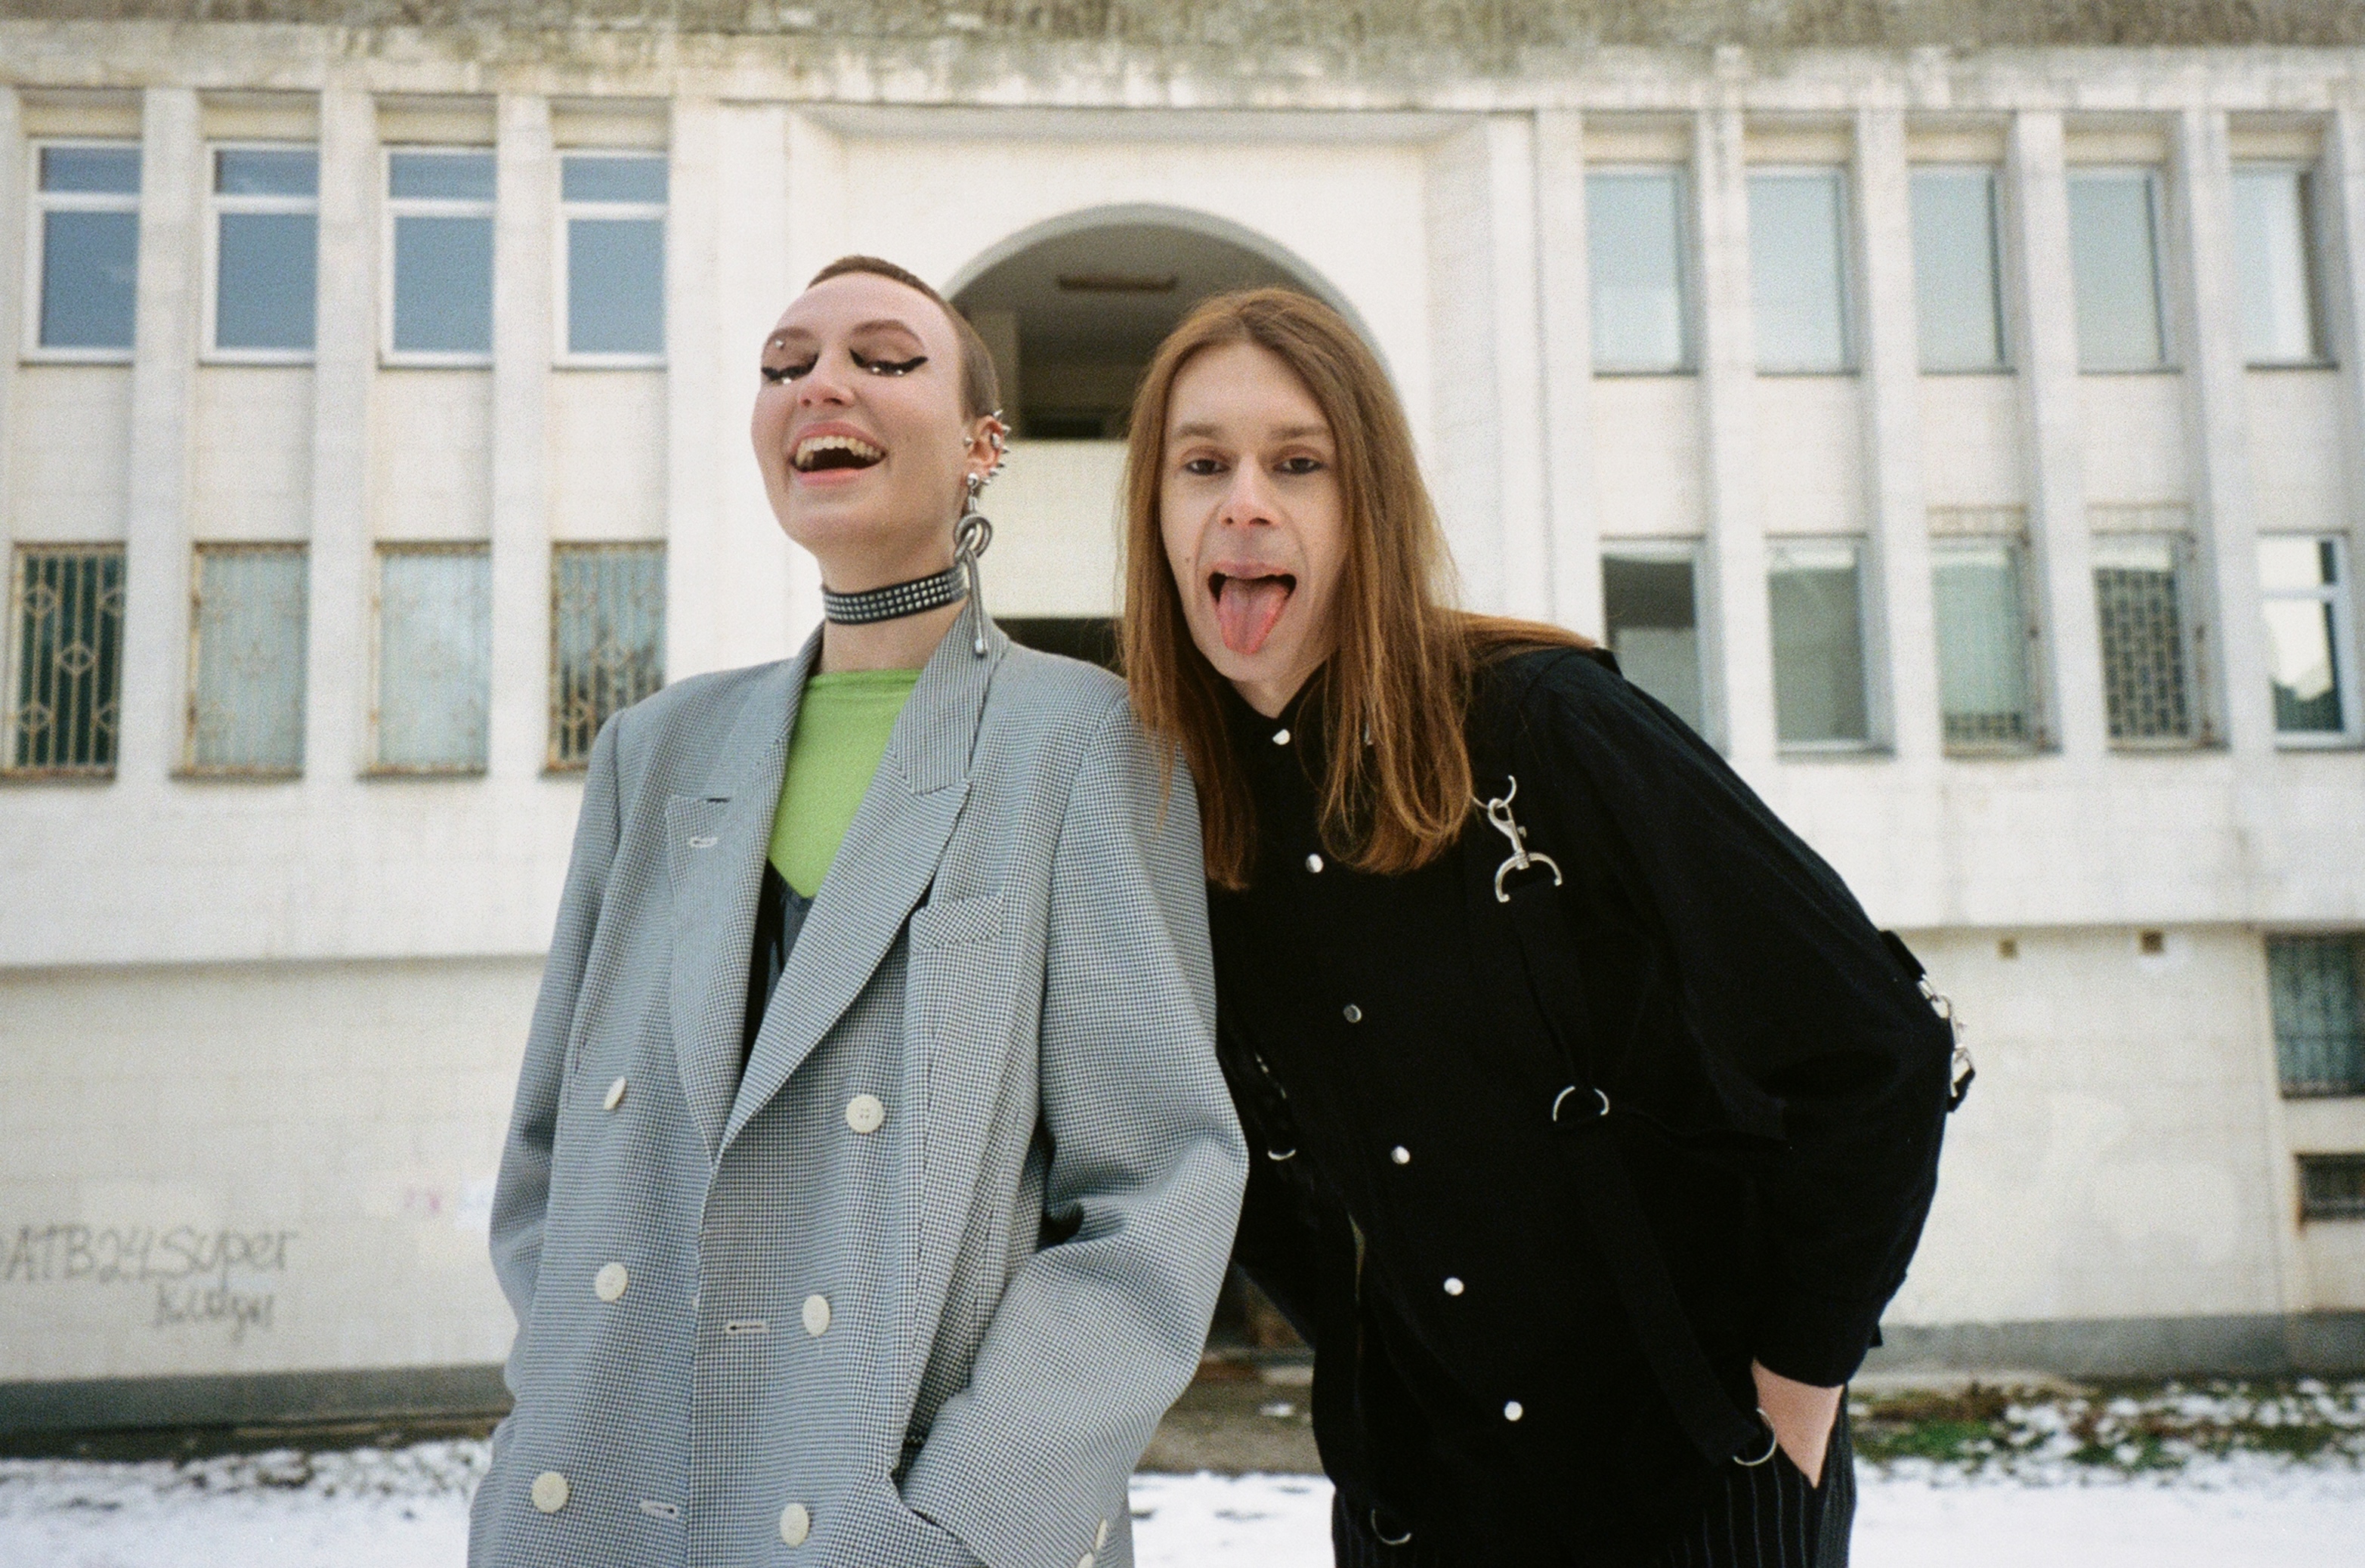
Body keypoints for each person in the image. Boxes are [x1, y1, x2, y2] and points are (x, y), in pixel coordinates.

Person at [1121, 288, 1957, 1567]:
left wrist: (1793, 1390)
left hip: (1690, 1490)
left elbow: (1875, 1051)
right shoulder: (1189, 815)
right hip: (1424, 1506)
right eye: (1201, 465)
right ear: (1157, 517)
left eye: (1298, 463)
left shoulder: (1543, 730)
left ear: (1370, 507)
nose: (1244, 501)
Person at [471, 256, 1247, 1568]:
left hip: (900, 1529)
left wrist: (965, 1524)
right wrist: (569, 1402)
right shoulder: (654, 756)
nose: (820, 382)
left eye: (886, 359)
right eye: (785, 365)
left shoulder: (1093, 743)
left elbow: (1157, 1193)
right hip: (606, 1507)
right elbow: (552, 1160)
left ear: (982, 444)